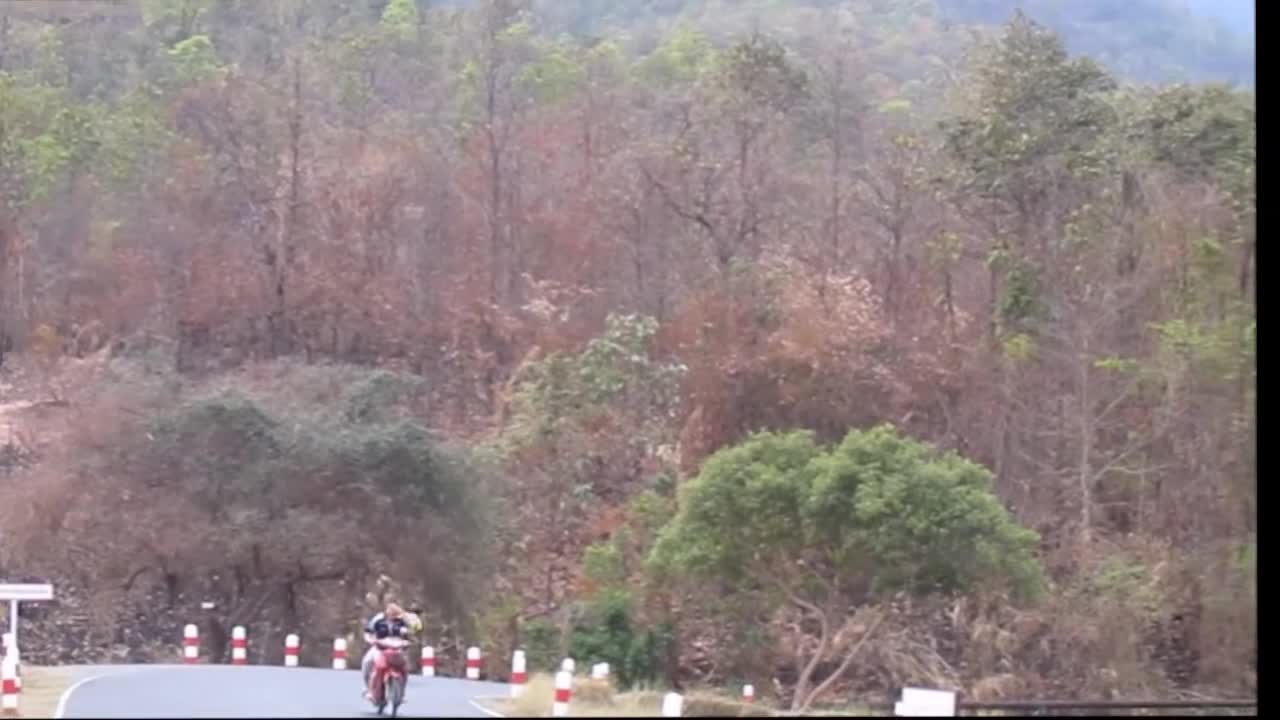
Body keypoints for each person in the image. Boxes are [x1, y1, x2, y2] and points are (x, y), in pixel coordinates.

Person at [361, 602, 422, 701]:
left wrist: (409, 641)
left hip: (396, 648)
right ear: (387, 612)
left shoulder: (402, 621)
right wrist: (370, 639)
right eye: (391, 613)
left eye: (395, 615)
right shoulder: (379, 619)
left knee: (404, 668)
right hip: (379, 646)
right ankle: (369, 689)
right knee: (367, 662)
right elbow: (368, 631)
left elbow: (410, 633)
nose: (393, 617)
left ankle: (401, 692)